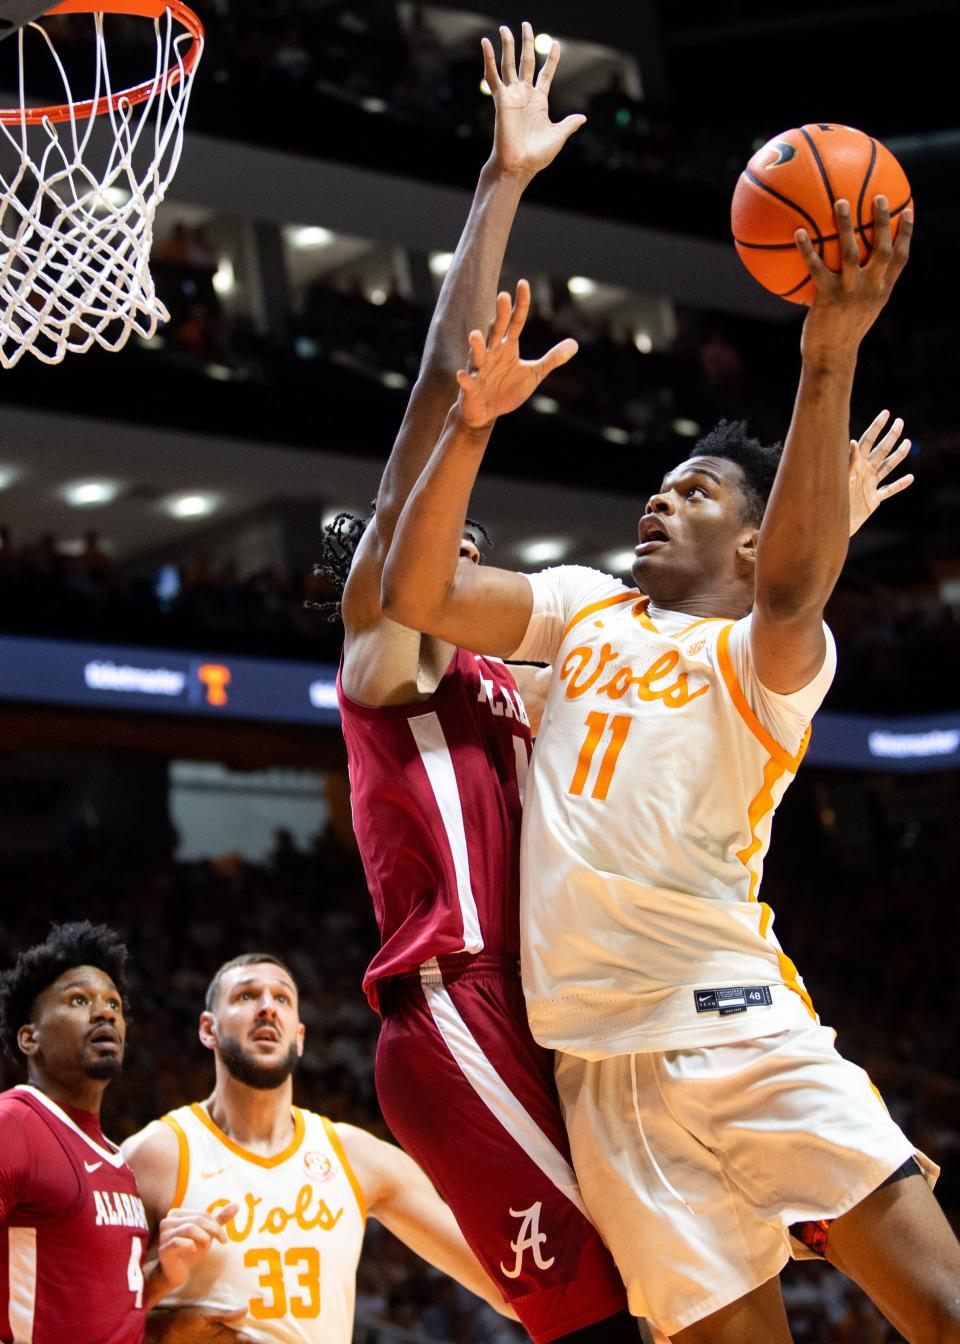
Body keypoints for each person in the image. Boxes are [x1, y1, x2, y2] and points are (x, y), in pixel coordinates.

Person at [378, 200, 960, 1342]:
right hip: (602, 1077)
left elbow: (796, 587)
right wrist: (471, 425)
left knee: (943, 1309)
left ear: (752, 541)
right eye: (660, 484)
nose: (660, 497)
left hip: (741, 1027)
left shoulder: (765, 657)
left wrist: (827, 345)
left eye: (697, 492)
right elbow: (417, 594)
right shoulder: (587, 607)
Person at [326, 21, 645, 1344]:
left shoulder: (519, 663)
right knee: (606, 1311)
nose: (452, 544)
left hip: (562, 993)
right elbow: (421, 427)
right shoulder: (384, 661)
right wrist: (500, 185)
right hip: (451, 1001)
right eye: (421, 541)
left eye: (468, 536)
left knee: (682, 1285)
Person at [123, 953, 515, 1344]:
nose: (266, 1008)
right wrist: (157, 1326)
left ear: (299, 1036)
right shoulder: (155, 1155)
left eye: (282, 999)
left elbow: (506, 1288)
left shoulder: (357, 1156)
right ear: (208, 1029)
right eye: (246, 997)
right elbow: (77, 1314)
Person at [0, 921, 235, 1344]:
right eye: (78, 999)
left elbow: (102, 1306)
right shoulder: (14, 1124)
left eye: (113, 1003)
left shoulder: (114, 1159)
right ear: (29, 1038)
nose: (105, 1011)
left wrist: (164, 1275)